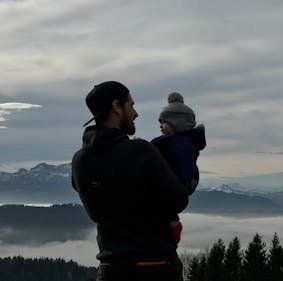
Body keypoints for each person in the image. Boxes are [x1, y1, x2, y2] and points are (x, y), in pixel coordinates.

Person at [71, 81, 188, 281]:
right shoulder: (140, 151)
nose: (135, 113)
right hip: (156, 266)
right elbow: (179, 200)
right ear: (116, 107)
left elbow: (97, 212)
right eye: (131, 105)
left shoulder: (80, 161)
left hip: (111, 269)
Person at [151, 92, 206, 244]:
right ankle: (173, 223)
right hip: (180, 185)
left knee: (164, 206)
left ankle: (173, 224)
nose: (160, 126)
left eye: (164, 122)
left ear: (177, 123)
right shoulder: (182, 143)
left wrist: (141, 148)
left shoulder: (180, 144)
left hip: (177, 184)